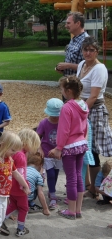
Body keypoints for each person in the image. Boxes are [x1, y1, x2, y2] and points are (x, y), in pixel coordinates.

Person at [74, 37, 112, 197]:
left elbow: (94, 96)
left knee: (93, 147)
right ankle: (88, 183)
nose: (88, 53)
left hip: (93, 110)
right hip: (81, 106)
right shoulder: (82, 65)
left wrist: (80, 112)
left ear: (97, 52)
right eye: (85, 49)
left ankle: (95, 188)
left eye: (91, 50)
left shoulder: (99, 68)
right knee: (82, 146)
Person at [48, 75, 88, 220]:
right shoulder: (83, 105)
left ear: (69, 91)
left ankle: (71, 211)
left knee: (71, 178)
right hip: (81, 144)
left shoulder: (67, 107)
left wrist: (59, 147)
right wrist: (83, 138)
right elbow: (85, 126)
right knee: (78, 176)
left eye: (62, 89)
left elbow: (64, 130)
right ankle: (78, 209)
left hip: (70, 147)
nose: (62, 91)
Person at [0, 131, 29, 239]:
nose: (14, 153)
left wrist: (25, 185)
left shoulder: (10, 160)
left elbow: (16, 174)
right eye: (12, 150)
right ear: (3, 145)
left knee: (0, 217)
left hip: (5, 195)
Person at [2, 129, 41, 237]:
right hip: (19, 187)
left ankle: (0, 221)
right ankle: (20, 228)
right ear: (28, 142)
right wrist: (25, 186)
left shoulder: (14, 153)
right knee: (24, 208)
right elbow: (20, 174)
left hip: (11, 185)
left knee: (13, 204)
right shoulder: (21, 156)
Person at [36, 98, 63, 210]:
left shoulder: (63, 122)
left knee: (55, 174)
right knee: (50, 174)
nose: (55, 117)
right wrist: (39, 148)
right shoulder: (44, 123)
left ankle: (52, 191)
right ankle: (53, 196)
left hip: (58, 154)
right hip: (47, 153)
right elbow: (37, 137)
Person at [55, 12, 89, 77]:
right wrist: (62, 68)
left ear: (78, 23)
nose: (66, 26)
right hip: (69, 83)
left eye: (68, 23)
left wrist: (68, 65)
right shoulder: (73, 39)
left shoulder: (86, 41)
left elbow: (88, 66)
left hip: (78, 84)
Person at [26, 151, 51, 216]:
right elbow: (40, 193)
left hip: (15, 196)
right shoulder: (38, 175)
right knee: (37, 188)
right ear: (40, 165)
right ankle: (29, 202)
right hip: (26, 196)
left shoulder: (23, 170)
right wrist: (45, 209)